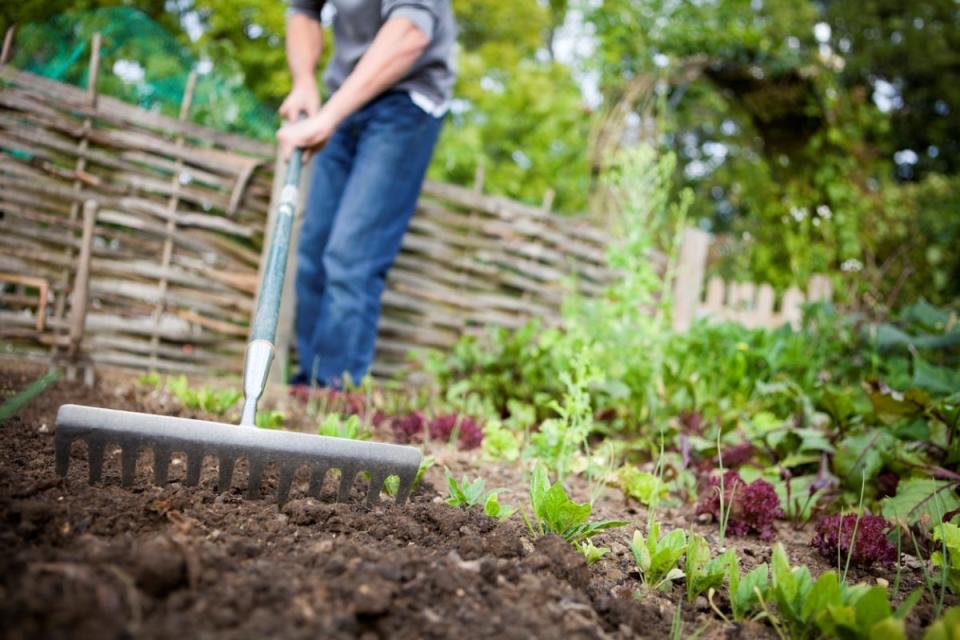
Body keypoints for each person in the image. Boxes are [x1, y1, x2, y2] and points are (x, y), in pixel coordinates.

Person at [277, 0, 455, 387]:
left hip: (407, 97)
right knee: (313, 250)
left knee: (351, 255)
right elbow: (303, 11)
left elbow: (410, 31)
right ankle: (308, 387)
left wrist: (328, 116)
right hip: (345, 95)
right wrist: (304, 81)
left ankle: (336, 397)